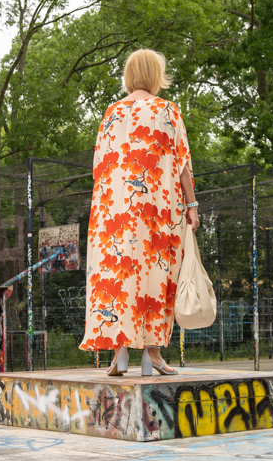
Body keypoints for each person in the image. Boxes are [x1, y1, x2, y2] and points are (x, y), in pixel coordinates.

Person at [80, 49, 199, 376]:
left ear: (129, 75)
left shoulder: (112, 113)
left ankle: (120, 353)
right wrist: (192, 206)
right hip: (160, 211)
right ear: (156, 75)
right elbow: (183, 165)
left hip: (115, 210)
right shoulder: (168, 111)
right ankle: (153, 355)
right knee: (157, 277)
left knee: (121, 274)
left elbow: (99, 168)